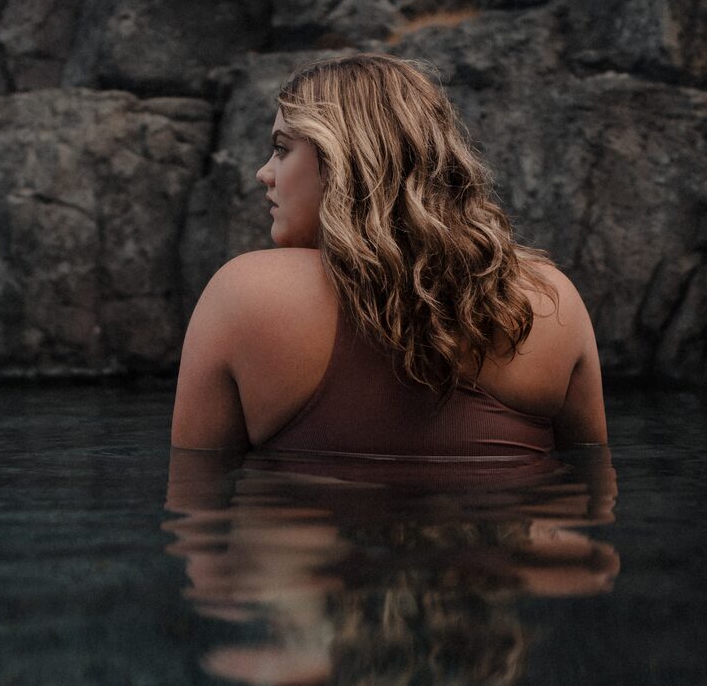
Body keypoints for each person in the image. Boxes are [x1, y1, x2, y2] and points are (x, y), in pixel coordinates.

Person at [170, 52, 606, 454]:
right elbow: (593, 489)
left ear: (343, 162)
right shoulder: (551, 298)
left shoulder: (246, 292)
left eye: (282, 149)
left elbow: (195, 496)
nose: (263, 173)